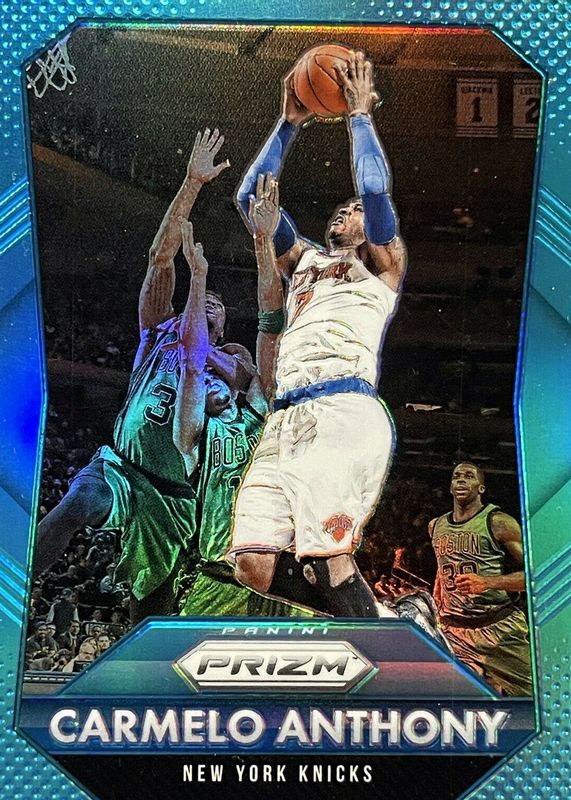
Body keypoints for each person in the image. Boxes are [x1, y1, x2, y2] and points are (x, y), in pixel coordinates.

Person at [33, 130, 251, 622]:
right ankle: (18, 585)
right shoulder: (158, 330)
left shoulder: (228, 357)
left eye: (216, 306)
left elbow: (241, 377)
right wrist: (192, 183)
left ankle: (145, 658)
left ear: (222, 326)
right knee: (79, 502)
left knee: (151, 605)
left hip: (175, 494)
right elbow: (160, 258)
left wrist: (202, 315)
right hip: (122, 465)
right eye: (204, 299)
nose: (209, 303)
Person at [228, 52, 406, 617]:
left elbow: (374, 191)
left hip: (342, 410)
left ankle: (385, 653)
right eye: (341, 208)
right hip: (286, 415)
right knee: (252, 567)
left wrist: (358, 115)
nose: (346, 212)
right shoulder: (303, 259)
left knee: (329, 560)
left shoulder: (382, 265)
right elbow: (249, 198)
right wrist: (289, 123)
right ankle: (378, 620)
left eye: (354, 211)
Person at [174, 214, 313, 618]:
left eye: (220, 375)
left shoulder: (256, 411)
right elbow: (193, 363)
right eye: (204, 379)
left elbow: (270, 328)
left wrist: (263, 244)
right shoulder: (194, 434)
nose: (210, 380)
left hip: (280, 573)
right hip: (219, 577)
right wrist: (197, 277)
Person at [428, 463, 532, 695]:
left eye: (469, 476)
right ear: (451, 487)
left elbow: (538, 575)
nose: (461, 480)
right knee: (457, 701)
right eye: (456, 476)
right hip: (455, 632)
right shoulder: (435, 526)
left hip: (498, 628)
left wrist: (487, 582)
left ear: (481, 488)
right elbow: (442, 570)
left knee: (533, 700)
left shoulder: (499, 522)